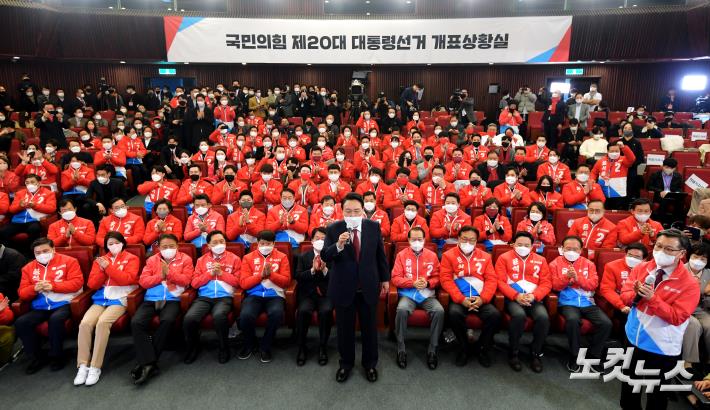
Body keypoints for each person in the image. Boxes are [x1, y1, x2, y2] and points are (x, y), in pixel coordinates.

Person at [620, 229, 699, 409]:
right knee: (628, 392)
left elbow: (677, 317)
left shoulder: (689, 283)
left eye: (669, 249)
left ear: (681, 254)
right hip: (633, 337)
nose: (661, 252)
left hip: (661, 347)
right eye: (659, 246)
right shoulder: (642, 267)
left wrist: (652, 299)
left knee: (655, 397)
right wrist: (634, 293)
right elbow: (624, 295)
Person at [321, 192, 390, 383]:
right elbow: (325, 256)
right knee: (345, 330)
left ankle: (370, 364)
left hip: (368, 285)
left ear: (363, 211)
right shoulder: (334, 228)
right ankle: (345, 364)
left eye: (356, 211)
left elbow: (380, 256)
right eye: (348, 211)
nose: (352, 214)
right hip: (343, 286)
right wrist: (339, 245)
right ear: (341, 211)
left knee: (369, 329)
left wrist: (385, 279)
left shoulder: (373, 227)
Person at [74, 231, 139, 386]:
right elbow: (92, 285)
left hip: (120, 298)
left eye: (116, 242)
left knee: (102, 323)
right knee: (85, 323)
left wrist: (108, 268)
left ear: (123, 243)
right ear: (106, 246)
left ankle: (95, 366)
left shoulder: (132, 258)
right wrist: (102, 270)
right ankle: (83, 365)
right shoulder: (100, 260)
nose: (113, 246)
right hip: (101, 298)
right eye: (110, 244)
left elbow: (126, 279)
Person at [131, 233, 193, 384]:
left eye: (172, 246)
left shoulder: (185, 259)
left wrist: (170, 274)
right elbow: (144, 282)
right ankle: (150, 363)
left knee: (167, 320)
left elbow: (186, 281)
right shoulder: (152, 260)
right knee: (136, 322)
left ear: (177, 246)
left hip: (173, 298)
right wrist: (161, 275)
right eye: (164, 246)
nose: (168, 249)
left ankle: (145, 363)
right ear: (158, 247)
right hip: (152, 299)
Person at [15, 238, 83, 374]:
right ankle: (36, 358)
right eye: (38, 252)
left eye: (45, 251)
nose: (42, 254)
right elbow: (22, 293)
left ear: (53, 249)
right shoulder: (28, 268)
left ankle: (57, 356)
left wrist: (53, 286)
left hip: (64, 302)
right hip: (40, 306)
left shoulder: (69, 261)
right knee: (21, 323)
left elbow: (77, 283)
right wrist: (34, 288)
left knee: (56, 320)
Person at [440, 226, 501, 367]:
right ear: (459, 238)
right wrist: (461, 299)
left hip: (480, 298)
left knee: (495, 316)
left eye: (472, 240)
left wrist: (483, 299)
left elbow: (492, 280)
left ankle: (481, 348)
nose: (468, 242)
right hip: (460, 298)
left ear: (476, 241)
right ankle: (464, 348)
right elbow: (445, 280)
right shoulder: (448, 255)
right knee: (454, 314)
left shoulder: (485, 257)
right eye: (464, 239)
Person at [550, 235, 612, 372]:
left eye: (575, 249)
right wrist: (566, 278)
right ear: (562, 249)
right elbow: (554, 286)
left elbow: (593, 285)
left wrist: (578, 279)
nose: (571, 251)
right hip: (567, 302)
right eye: (568, 248)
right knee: (572, 320)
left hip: (587, 302)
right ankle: (574, 355)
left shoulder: (589, 264)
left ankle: (593, 355)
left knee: (606, 323)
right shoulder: (555, 263)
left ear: (580, 250)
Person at [496, 231, 551, 372]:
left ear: (532, 246)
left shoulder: (541, 260)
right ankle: (513, 351)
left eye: (527, 245)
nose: (523, 247)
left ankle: (535, 353)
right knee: (519, 315)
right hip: (512, 298)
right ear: (513, 244)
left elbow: (546, 283)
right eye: (519, 244)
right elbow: (500, 282)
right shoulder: (504, 258)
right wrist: (516, 296)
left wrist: (534, 296)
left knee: (543, 317)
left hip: (533, 298)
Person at [184, 230, 241, 364]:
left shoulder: (234, 258)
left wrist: (221, 273)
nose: (219, 244)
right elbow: (194, 283)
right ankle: (193, 348)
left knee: (219, 316)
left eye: (221, 241)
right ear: (208, 245)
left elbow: (238, 282)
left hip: (224, 297)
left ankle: (224, 348)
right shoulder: (201, 260)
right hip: (204, 297)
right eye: (215, 242)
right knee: (189, 318)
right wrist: (210, 273)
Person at [391, 227, 443, 369]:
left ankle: (432, 350)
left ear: (424, 240)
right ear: (408, 240)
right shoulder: (401, 255)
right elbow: (395, 278)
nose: (416, 242)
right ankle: (401, 348)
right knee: (401, 309)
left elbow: (439, 277)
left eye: (420, 239)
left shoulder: (432, 255)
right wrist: (412, 283)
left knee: (439, 311)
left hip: (427, 294)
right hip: (408, 294)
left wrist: (428, 283)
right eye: (413, 239)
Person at [238, 230, 291, 363]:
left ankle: (265, 345)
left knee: (277, 313)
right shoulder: (248, 258)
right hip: (254, 295)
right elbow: (244, 283)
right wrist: (260, 276)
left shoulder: (282, 257)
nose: (265, 245)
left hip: (274, 295)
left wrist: (271, 274)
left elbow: (286, 281)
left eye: (268, 243)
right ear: (257, 243)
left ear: (274, 244)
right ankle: (250, 343)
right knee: (245, 316)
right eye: (262, 243)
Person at [294, 228, 334, 366]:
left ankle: (323, 347)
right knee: (303, 311)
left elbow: (336, 278)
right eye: (317, 238)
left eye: (323, 239)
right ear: (311, 241)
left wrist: (324, 270)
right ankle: (301, 347)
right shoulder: (302, 256)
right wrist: (311, 270)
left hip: (325, 294)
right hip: (308, 294)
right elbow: (298, 277)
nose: (320, 241)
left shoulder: (332, 256)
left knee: (326, 311)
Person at [0, 174, 57, 248]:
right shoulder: (20, 193)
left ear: (39, 183)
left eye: (32, 182)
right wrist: (20, 206)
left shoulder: (48, 193)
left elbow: (51, 208)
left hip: (34, 220)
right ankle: (10, 252)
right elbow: (11, 210)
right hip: (18, 221)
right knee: (3, 232)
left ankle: (32, 253)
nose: (30, 184)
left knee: (34, 229)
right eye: (27, 182)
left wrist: (35, 205)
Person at [599, 243, 647, 329]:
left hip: (642, 303)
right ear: (625, 254)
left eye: (637, 257)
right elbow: (606, 289)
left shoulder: (648, 269)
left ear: (644, 259)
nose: (632, 258)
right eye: (630, 255)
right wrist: (621, 305)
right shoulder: (612, 266)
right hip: (620, 303)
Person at [681, 243, 710, 374]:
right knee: (693, 325)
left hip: (700, 307)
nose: (698, 261)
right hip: (682, 306)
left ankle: (708, 361)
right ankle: (688, 362)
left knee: (709, 325)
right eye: (696, 256)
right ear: (689, 256)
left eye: (703, 259)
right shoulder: (679, 270)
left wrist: (707, 294)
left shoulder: (708, 274)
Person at [591, 140, 636, 210]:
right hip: (603, 191)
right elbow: (594, 172)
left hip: (618, 192)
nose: (614, 153)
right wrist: (592, 180)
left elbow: (632, 159)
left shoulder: (623, 159)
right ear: (608, 151)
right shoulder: (601, 161)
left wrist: (624, 147)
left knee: (618, 213)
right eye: (612, 151)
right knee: (604, 211)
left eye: (616, 151)